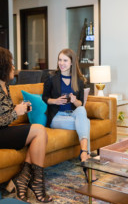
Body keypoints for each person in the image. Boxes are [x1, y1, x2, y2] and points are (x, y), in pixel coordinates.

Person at [0, 46, 52, 203]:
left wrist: (20, 108)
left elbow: (4, 113)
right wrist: (15, 113)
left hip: (6, 131)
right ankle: (37, 184)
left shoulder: (4, 86)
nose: (13, 67)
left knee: (38, 134)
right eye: (10, 63)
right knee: (39, 131)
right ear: (1, 66)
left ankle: (22, 179)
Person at [42, 48, 97, 182]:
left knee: (82, 112)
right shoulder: (51, 78)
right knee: (86, 123)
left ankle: (84, 154)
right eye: (60, 60)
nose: (61, 63)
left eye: (65, 60)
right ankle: (86, 157)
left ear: (72, 63)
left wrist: (74, 100)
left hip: (73, 114)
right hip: (57, 117)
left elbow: (80, 105)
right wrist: (55, 101)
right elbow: (45, 98)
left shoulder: (78, 81)